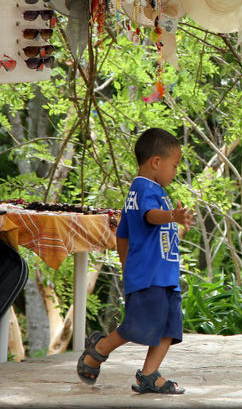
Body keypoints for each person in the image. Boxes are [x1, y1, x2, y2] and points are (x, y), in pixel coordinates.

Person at [76, 127, 195, 393]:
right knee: (137, 325)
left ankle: (150, 374)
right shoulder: (144, 189)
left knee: (169, 327)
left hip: (164, 275)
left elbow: (123, 233)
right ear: (156, 162)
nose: (175, 172)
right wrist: (172, 217)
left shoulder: (154, 190)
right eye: (174, 166)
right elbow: (151, 216)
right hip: (149, 275)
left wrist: (125, 264)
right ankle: (97, 350)